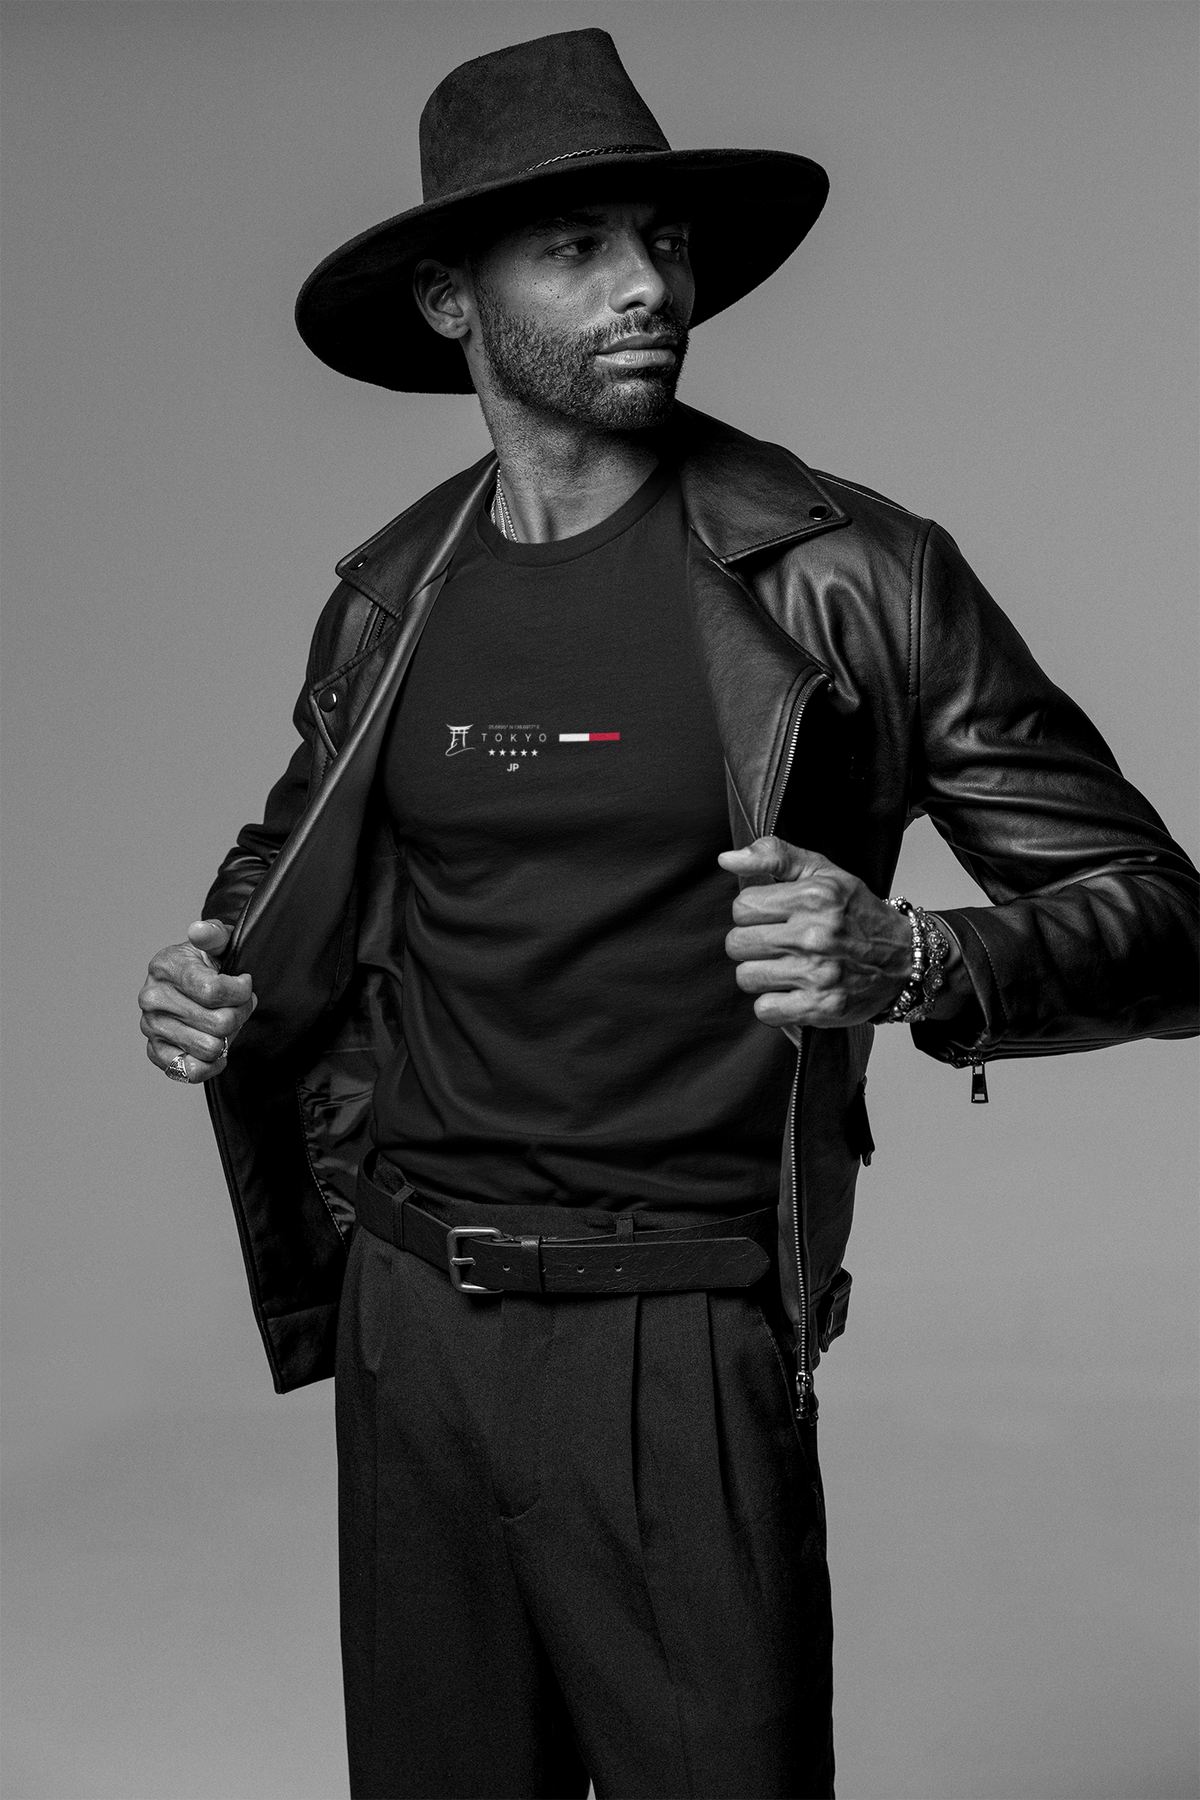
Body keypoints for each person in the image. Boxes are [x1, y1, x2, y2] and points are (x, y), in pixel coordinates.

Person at [136, 28, 1200, 1800]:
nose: (651, 287)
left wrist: (915, 957)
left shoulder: (856, 574)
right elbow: (286, 860)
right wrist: (209, 972)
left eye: (667, 242)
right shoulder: (389, 599)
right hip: (411, 1320)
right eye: (580, 248)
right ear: (447, 301)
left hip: (679, 1336)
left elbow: (1165, 920)